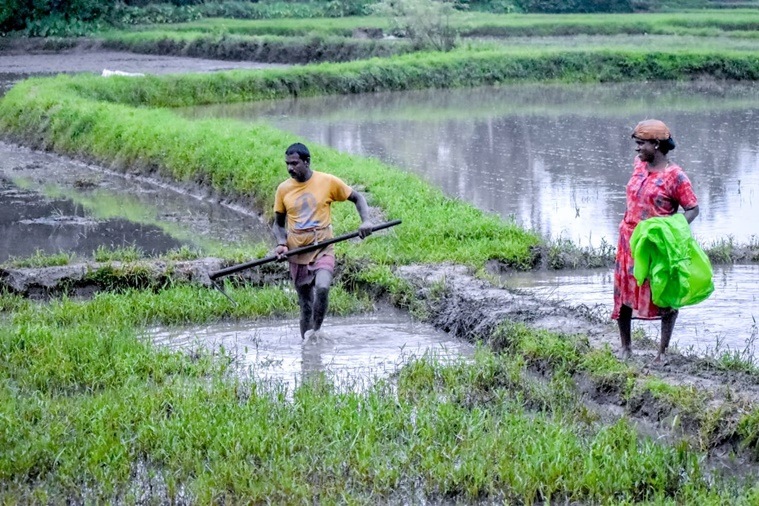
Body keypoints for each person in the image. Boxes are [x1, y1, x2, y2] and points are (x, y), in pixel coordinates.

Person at [612, 119, 700, 363]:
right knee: (624, 293)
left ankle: (662, 352)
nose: (637, 149)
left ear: (658, 145)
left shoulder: (676, 177)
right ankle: (625, 347)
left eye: (642, 144)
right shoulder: (639, 166)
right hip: (629, 240)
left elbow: (692, 209)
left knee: (663, 294)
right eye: (637, 144)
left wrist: (671, 229)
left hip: (656, 246)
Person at [272, 143, 373, 340]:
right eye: (287, 164)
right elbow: (278, 224)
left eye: (294, 163)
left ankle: (316, 333)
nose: (290, 168)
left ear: (307, 162)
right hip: (297, 252)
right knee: (305, 306)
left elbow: (357, 198)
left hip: (323, 247)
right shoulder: (283, 189)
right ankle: (306, 348)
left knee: (323, 287)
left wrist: (366, 221)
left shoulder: (327, 181)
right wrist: (281, 243)